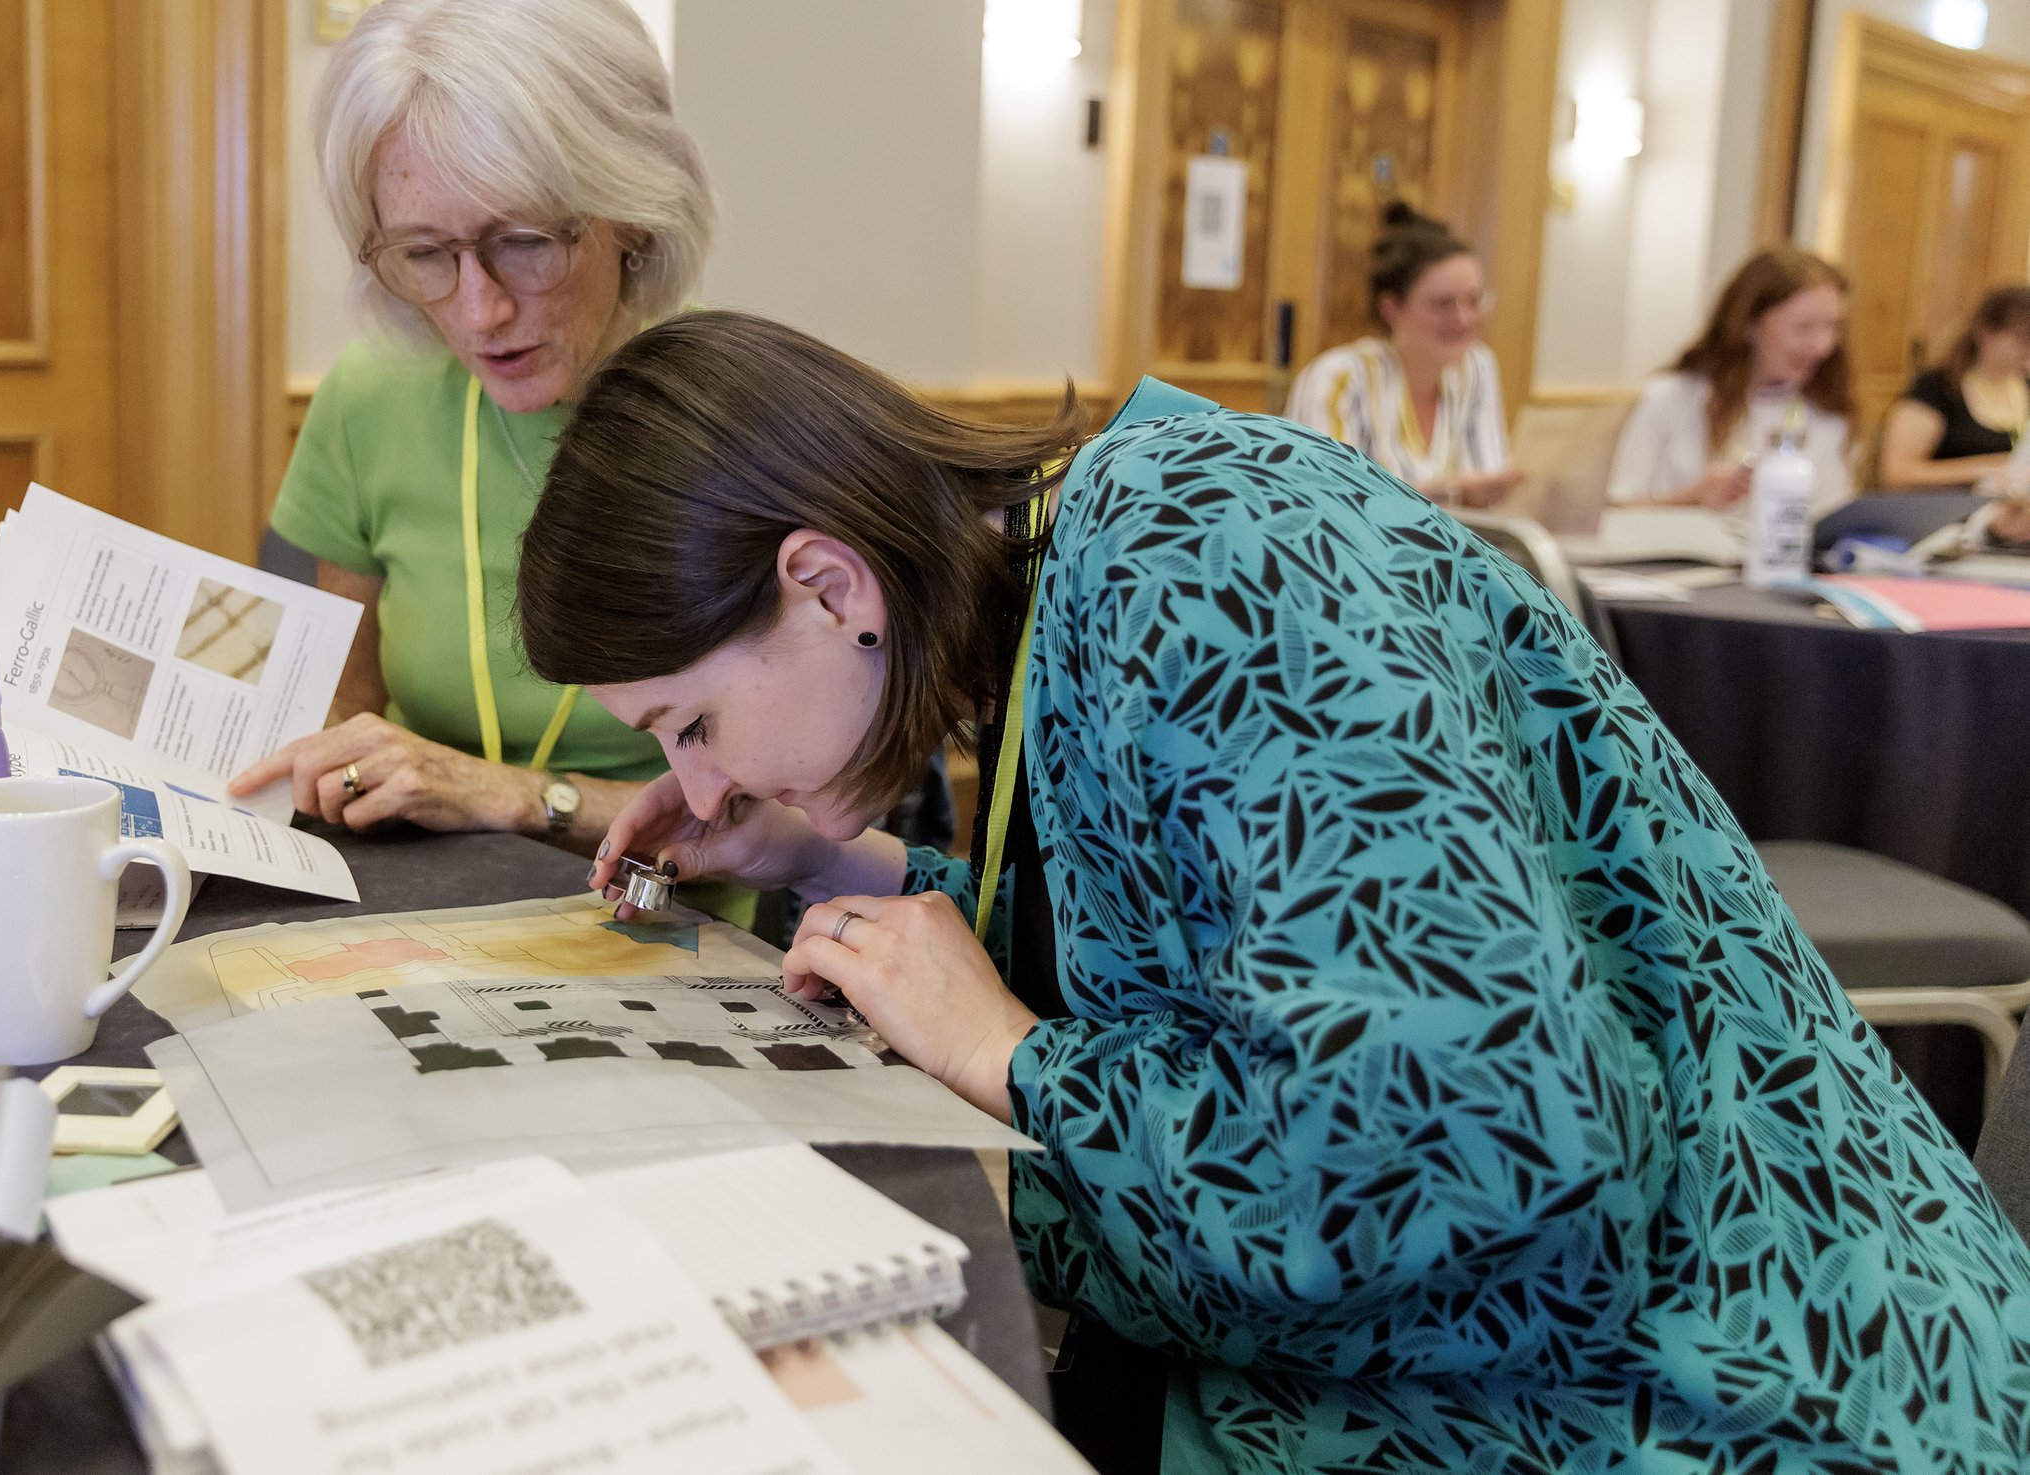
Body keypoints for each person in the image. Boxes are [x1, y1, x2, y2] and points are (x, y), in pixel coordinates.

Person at [515, 309, 2030, 1475]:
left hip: (1738, 1390)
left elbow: (1474, 1145)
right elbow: (1198, 936)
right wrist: (827, 861)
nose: (698, 788)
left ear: (830, 585)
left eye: (689, 724)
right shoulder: (1088, 568)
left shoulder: (1202, 544)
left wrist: (1015, 1056)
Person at [226, 0, 712, 847]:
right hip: (429, 887)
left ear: (633, 210)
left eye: (524, 240)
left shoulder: (736, 414)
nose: (481, 309)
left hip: (680, 916)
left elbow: (785, 825)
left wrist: (518, 796)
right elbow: (347, 705)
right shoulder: (373, 395)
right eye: (424, 255)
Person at [1285, 201, 1524, 507]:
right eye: (1443, 304)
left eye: (1474, 301)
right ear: (1392, 309)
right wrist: (1453, 492)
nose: (1463, 319)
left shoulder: (1478, 367)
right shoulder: (1337, 378)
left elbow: (1492, 484)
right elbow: (1329, 504)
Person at [1606, 247, 1854, 512]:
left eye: (1832, 327)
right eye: (1803, 328)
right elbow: (1617, 511)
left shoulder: (1827, 412)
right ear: (1749, 324)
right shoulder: (1671, 398)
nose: (1822, 347)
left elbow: (1832, 518)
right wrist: (1691, 498)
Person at [1877, 284, 2030, 492]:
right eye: (2023, 339)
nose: (2027, 351)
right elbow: (1895, 474)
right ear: (1985, 333)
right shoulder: (1937, 388)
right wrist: (1989, 468)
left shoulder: (2025, 387)